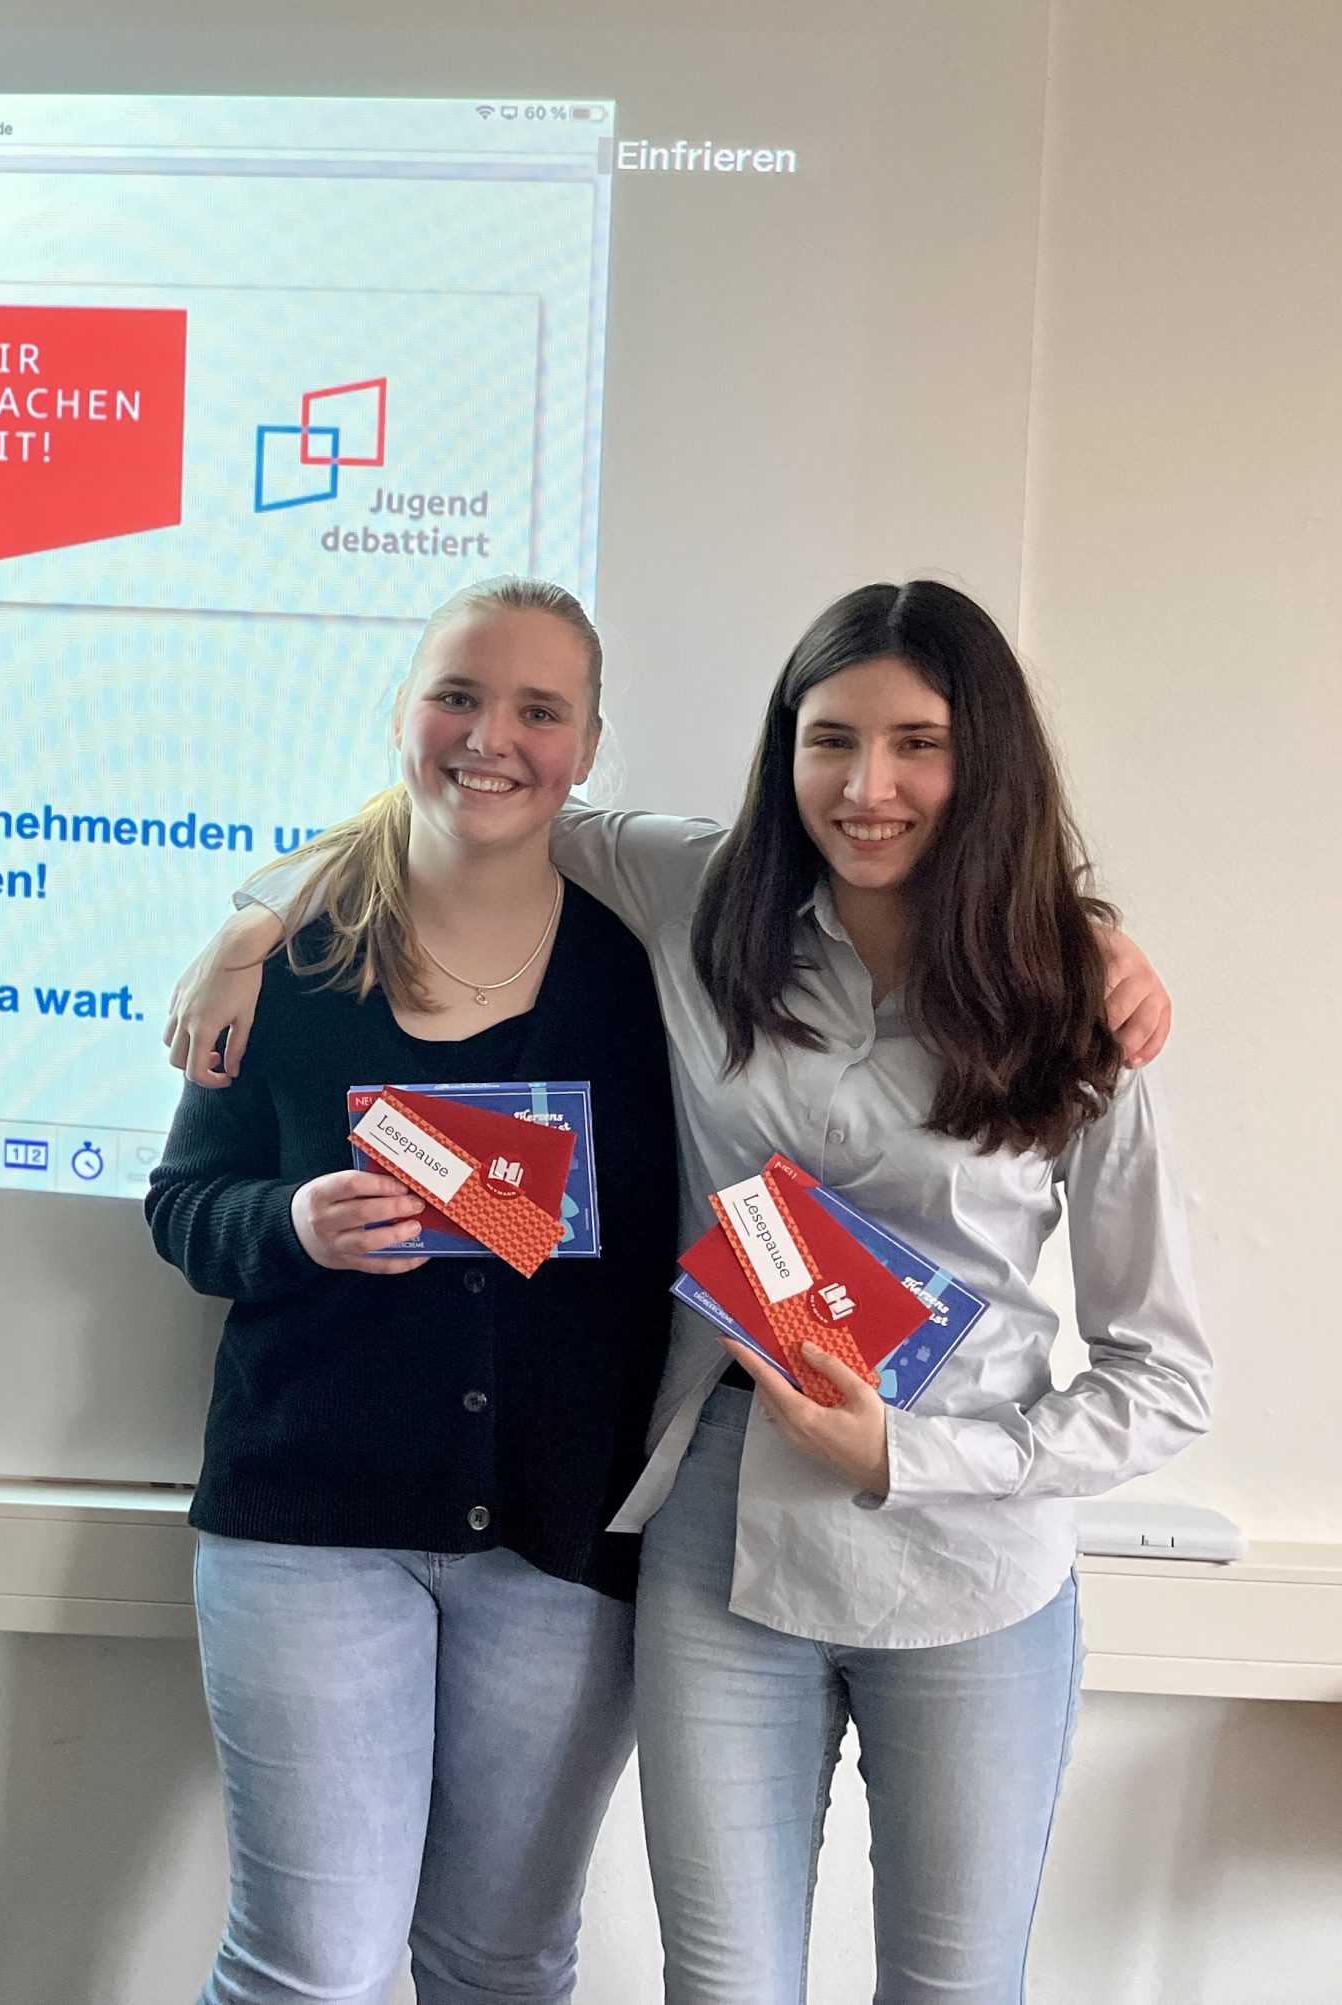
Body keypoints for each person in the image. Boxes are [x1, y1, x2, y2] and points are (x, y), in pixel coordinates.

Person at [166, 580, 1205, 2005]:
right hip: (712, 1541)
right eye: (831, 739)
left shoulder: (1069, 1011)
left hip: (963, 1566)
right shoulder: (705, 901)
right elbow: (469, 807)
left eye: (919, 742)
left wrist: (912, 1454)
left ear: (989, 763)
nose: (869, 786)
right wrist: (248, 919)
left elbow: (1167, 1379)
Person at [147, 578, 681, 2005]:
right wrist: (291, 1224)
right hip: (308, 1527)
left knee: (501, 1965)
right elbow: (185, 1207)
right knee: (307, 1970)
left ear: (588, 745)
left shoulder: (645, 973)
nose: (491, 736)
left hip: (561, 1543)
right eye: (457, 695)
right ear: (405, 714)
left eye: (538, 709)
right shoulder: (298, 961)